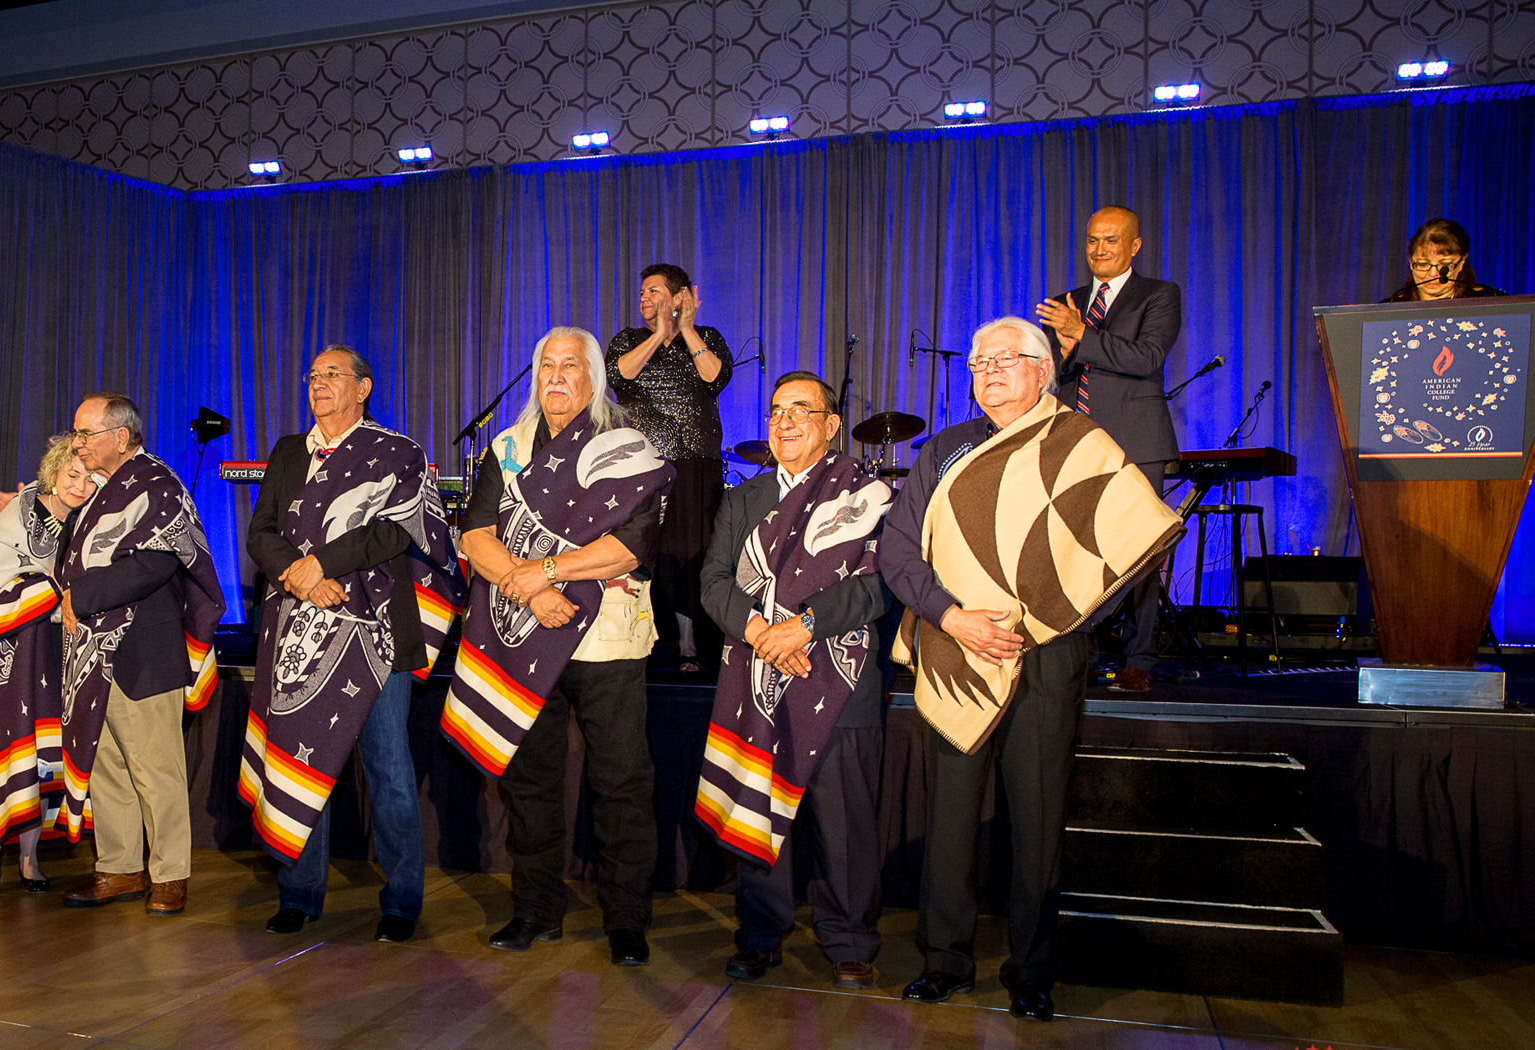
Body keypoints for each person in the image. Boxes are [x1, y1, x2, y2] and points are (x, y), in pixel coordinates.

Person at [883, 318, 1182, 1022]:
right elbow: (897, 551)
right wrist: (952, 618)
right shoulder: (946, 450)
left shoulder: (1081, 445)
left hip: (1044, 655)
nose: (988, 370)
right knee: (951, 819)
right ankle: (944, 960)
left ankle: (1032, 969)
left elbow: (1127, 539)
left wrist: (1053, 614)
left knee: (1039, 820)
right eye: (978, 360)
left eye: (1006, 359)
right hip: (954, 649)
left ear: (1044, 371)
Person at [443, 326, 674, 967]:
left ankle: (626, 921)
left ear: (593, 378)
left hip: (607, 638)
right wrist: (532, 590)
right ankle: (536, 911)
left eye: (570, 365)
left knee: (621, 782)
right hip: (524, 629)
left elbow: (630, 547)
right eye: (547, 363)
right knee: (530, 782)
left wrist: (543, 573)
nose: (556, 375)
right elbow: (475, 535)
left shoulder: (626, 448)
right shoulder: (509, 448)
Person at [242, 346, 464, 942]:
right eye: (312, 375)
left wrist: (319, 563)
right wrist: (298, 574)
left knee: (387, 766)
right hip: (298, 623)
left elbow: (397, 530)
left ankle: (401, 901)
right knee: (296, 759)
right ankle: (301, 893)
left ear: (363, 387)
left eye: (332, 375)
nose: (319, 384)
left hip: (377, 633)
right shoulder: (289, 451)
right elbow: (260, 531)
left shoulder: (399, 451)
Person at [697, 372, 894, 989]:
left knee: (846, 825)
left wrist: (804, 627)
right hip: (758, 677)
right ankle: (759, 935)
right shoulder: (743, 499)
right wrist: (761, 634)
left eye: (800, 411)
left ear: (831, 425)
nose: (784, 422)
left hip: (842, 679)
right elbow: (714, 583)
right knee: (758, 809)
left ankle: (850, 940)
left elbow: (877, 586)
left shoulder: (868, 495)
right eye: (777, 410)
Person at [57, 392, 226, 917]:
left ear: (121, 438)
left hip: (143, 649)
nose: (77, 443)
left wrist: (78, 597)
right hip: (90, 652)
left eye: (86, 434)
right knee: (105, 765)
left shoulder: (158, 485)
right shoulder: (95, 492)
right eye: (77, 433)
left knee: (157, 771)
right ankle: (119, 867)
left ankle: (170, 874)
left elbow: (151, 565)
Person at [1035, 206, 1183, 693]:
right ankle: (1080, 652)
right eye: (1092, 240)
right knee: (1073, 549)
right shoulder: (1067, 302)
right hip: (1075, 444)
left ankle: (1138, 657)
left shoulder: (1159, 295)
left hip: (1137, 441)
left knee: (1140, 551)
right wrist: (1055, 350)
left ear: (1134, 246)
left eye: (1111, 241)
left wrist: (1082, 336)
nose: (1099, 249)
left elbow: (1147, 358)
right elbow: (1052, 376)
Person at [0, 435, 100, 894]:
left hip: (50, 652)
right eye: (72, 475)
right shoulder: (21, 512)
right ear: (53, 472)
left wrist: (53, 592)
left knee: (41, 752)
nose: (80, 486)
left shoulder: (88, 523)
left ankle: (31, 859)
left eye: (90, 479)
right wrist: (45, 587)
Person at [606, 263, 733, 672]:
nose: (644, 298)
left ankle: (691, 643)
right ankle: (647, 638)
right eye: (642, 291)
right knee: (647, 548)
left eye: (654, 290)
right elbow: (618, 376)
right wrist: (660, 333)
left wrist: (686, 329)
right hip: (642, 461)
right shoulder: (629, 340)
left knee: (693, 550)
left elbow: (715, 378)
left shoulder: (707, 338)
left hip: (696, 461)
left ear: (680, 297)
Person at [1382, 218, 1505, 301]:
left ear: (1461, 262)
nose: (1433, 273)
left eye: (1444, 265)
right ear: (1410, 260)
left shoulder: (1492, 301)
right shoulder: (1390, 308)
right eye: (1423, 264)